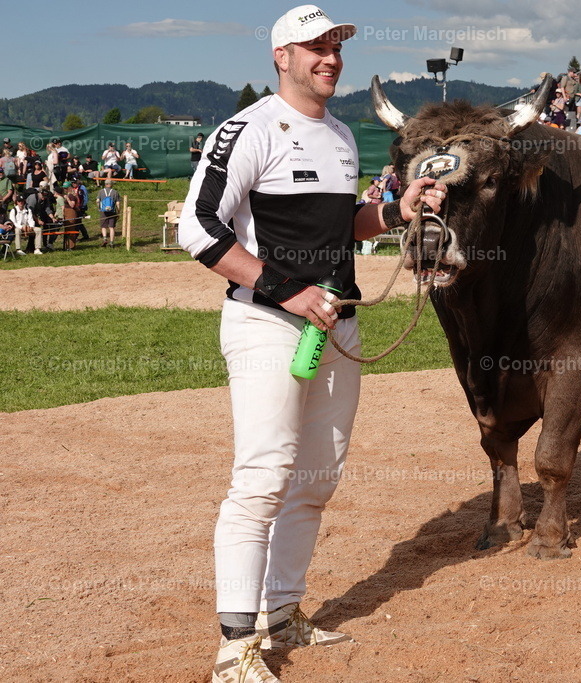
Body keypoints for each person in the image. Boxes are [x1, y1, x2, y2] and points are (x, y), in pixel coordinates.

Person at [176, 7, 448, 681]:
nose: (329, 57)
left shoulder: (342, 135)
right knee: (263, 477)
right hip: (267, 325)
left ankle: (283, 609)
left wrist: (396, 209)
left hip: (337, 326)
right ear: (282, 57)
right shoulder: (247, 129)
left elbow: (345, 224)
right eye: (315, 47)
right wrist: (286, 291)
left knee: (318, 477)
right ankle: (235, 649)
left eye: (335, 46)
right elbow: (198, 228)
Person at [97, 179, 120, 247]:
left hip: (103, 211)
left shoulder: (101, 191)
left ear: (105, 184)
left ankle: (104, 239)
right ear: (111, 184)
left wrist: (99, 208)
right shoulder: (115, 192)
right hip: (112, 212)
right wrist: (118, 212)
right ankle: (112, 242)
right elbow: (118, 203)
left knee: (103, 227)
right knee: (111, 227)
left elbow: (97, 201)